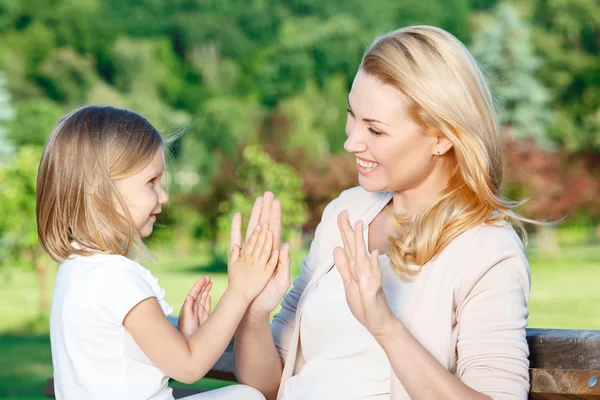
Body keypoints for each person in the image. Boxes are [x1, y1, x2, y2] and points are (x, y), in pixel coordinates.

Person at [234, 26, 532, 400]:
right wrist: (254, 311)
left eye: (375, 130)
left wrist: (385, 326)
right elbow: (268, 387)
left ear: (441, 137)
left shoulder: (486, 250)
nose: (351, 141)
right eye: (352, 116)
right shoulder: (347, 211)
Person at [36, 105, 279, 399]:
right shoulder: (115, 278)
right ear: (101, 191)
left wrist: (184, 339)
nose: (163, 196)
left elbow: (126, 362)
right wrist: (239, 292)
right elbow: (189, 369)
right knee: (247, 397)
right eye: (151, 182)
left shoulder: (77, 269)